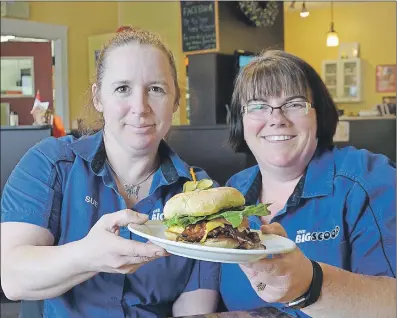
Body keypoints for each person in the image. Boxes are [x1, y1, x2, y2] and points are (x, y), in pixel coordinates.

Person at [1, 27, 220, 318]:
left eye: (156, 89)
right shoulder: (50, 164)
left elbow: (194, 309)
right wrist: (88, 256)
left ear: (176, 101)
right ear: (98, 98)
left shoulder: (202, 196)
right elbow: (13, 278)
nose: (140, 107)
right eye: (122, 89)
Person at [220, 50, 396, 317]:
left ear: (319, 115)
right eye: (258, 105)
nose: (277, 118)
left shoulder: (367, 178)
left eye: (294, 103)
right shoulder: (232, 193)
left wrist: (310, 285)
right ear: (240, 121)